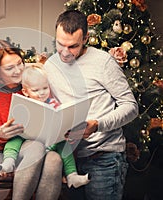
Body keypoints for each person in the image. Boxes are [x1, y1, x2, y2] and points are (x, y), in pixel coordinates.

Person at [43, 10, 139, 200]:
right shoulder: (50, 65)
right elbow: (34, 88)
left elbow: (131, 107)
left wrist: (97, 124)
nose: (64, 52)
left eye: (72, 46)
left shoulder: (103, 62)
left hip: (104, 158)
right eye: (60, 44)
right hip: (70, 159)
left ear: (86, 38)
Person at [0, 40, 63, 200]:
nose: (18, 71)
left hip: (40, 146)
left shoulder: (32, 83)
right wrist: (2, 133)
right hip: (2, 153)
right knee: (36, 147)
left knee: (55, 159)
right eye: (10, 68)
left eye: (20, 64)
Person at [0, 64, 90, 189]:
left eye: (45, 88)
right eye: (35, 90)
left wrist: (64, 125)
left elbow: (60, 119)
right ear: (25, 91)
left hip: (49, 143)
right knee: (14, 139)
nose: (41, 93)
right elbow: (15, 122)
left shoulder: (53, 104)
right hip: (28, 143)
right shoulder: (23, 104)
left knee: (64, 145)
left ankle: (72, 175)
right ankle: (9, 161)